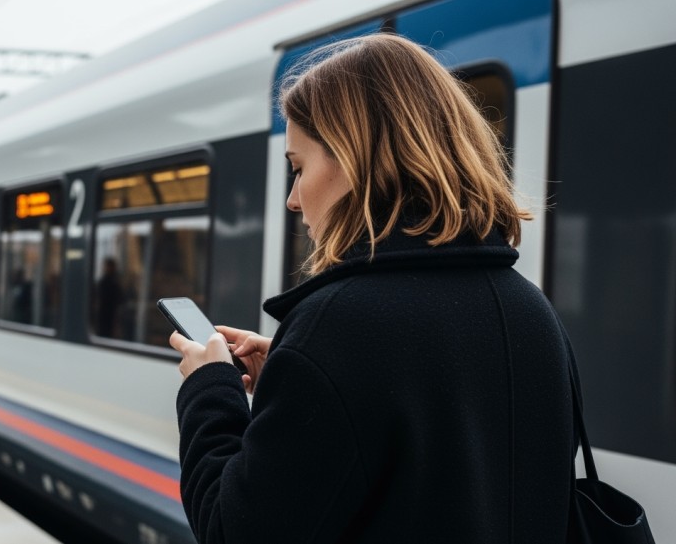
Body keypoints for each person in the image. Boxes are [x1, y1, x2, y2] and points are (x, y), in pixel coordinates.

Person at [169, 33, 574, 543]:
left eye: (299, 168)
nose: (294, 199)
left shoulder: (338, 325)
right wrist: (298, 374)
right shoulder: (529, 307)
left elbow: (233, 531)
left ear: (357, 159)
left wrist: (209, 390)